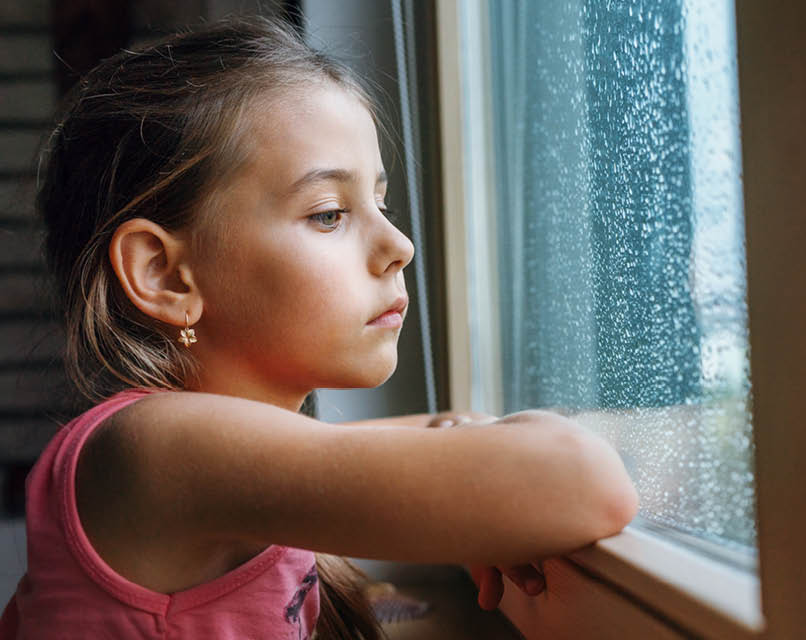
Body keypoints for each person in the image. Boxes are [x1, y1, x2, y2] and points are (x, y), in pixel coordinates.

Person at [0, 16, 638, 640]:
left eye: (380, 204)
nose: (399, 245)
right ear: (166, 275)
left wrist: (474, 475)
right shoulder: (151, 448)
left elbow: (410, 439)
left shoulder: (209, 465)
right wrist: (497, 481)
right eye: (330, 214)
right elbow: (586, 482)